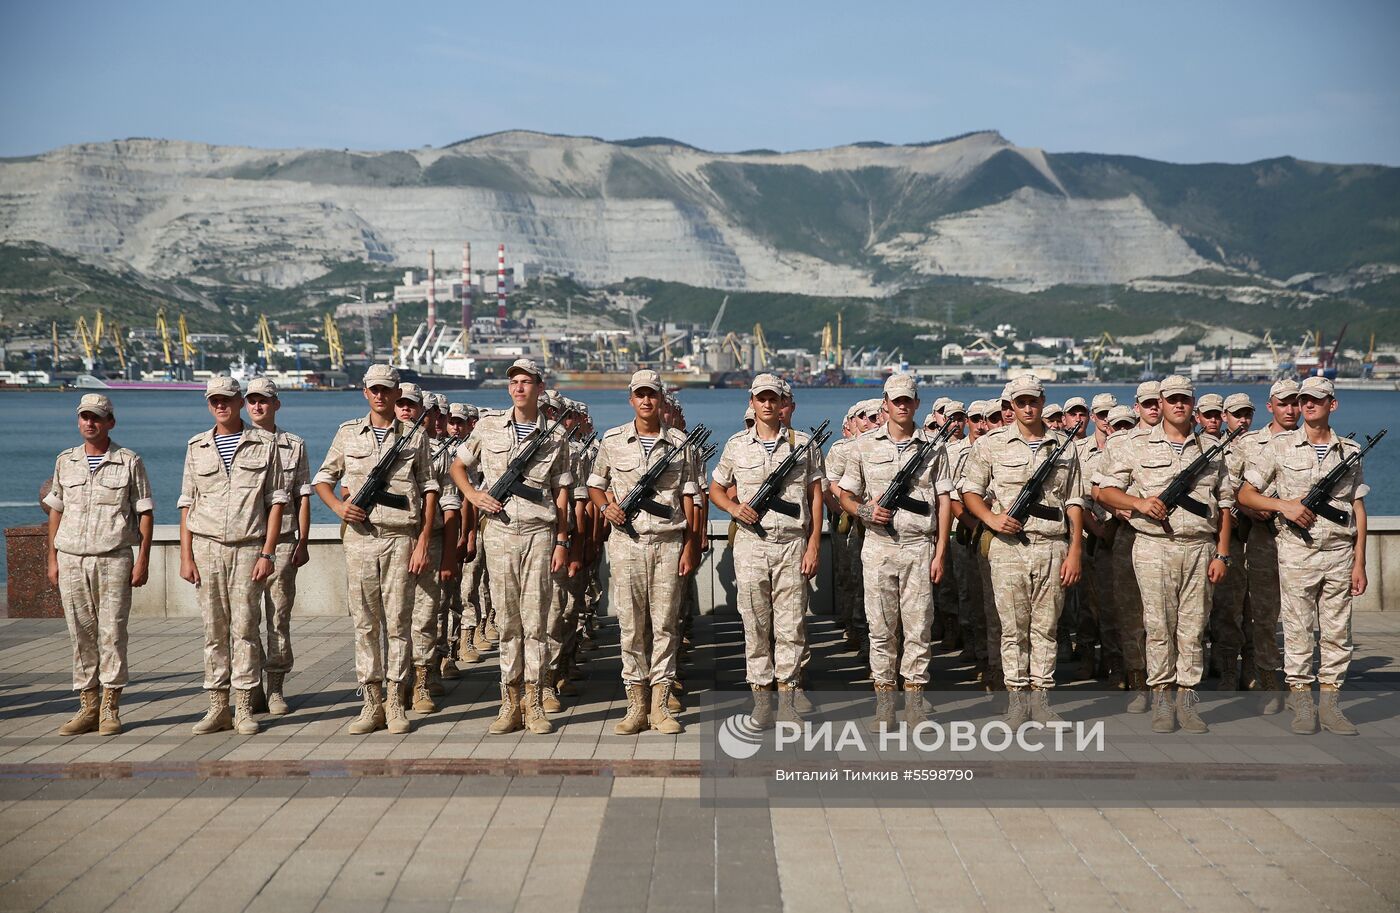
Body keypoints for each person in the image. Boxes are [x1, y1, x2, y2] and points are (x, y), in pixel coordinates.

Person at [1098, 375, 1232, 733]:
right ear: (1160, 401)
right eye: (1171, 399)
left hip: (1201, 548)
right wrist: (1139, 503)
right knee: (1158, 627)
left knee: (1193, 629)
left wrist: (1222, 554)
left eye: (1184, 400)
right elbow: (1106, 492)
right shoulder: (1134, 444)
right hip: (1154, 547)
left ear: (1193, 403)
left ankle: (1187, 701)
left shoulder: (1211, 448)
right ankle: (1161, 698)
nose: (1178, 405)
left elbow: (1225, 505)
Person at [1237, 376, 1368, 735]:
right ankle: (1302, 703)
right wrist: (1285, 506)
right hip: (1296, 552)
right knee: (1297, 631)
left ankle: (1331, 705)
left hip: (1340, 553)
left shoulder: (1350, 451)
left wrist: (1360, 560)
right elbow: (1246, 495)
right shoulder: (1279, 448)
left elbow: (1357, 506)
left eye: (1317, 400)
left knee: (1338, 632)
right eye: (1303, 400)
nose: (1308, 405)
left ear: (1332, 404)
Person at [314, 364, 439, 735]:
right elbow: (323, 479)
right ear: (365, 393)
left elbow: (430, 488)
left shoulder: (415, 436)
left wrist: (422, 541)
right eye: (374, 390)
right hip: (361, 539)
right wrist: (338, 508)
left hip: (401, 538)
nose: (381, 396)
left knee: (399, 623)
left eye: (387, 389)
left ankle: (396, 702)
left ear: (396, 391)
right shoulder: (348, 433)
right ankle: (371, 703)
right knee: (366, 624)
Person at [451, 358, 573, 735]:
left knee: (536, 621)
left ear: (539, 387)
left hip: (540, 534)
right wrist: (474, 494)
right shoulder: (488, 427)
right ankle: (509, 702)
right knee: (507, 623)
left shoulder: (556, 437)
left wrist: (563, 540)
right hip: (500, 534)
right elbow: (458, 467)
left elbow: (562, 490)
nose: (519, 388)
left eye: (526, 382)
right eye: (514, 382)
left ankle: (534, 703)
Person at [960, 374, 1084, 726]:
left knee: (1046, 626)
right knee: (1013, 628)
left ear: (1043, 402)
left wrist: (1074, 550)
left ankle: (1042, 699)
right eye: (1021, 402)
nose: (1028, 407)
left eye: (1033, 401)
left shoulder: (1063, 445)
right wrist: (991, 518)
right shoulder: (991, 444)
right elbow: (970, 490)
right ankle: (1016, 699)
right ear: (1011, 406)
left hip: (1051, 546)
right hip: (1009, 549)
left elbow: (1074, 500)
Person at [588, 370, 700, 734]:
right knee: (631, 627)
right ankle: (635, 705)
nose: (646, 401)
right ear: (631, 399)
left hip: (668, 543)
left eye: (652, 394)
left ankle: (660, 705)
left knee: (666, 625)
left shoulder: (681, 444)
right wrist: (606, 507)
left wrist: (690, 547)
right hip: (627, 544)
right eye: (640, 395)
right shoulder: (613, 439)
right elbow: (595, 485)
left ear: (661, 399)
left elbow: (690, 496)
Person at [837, 374, 952, 730]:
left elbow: (944, 499)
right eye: (896, 400)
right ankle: (885, 704)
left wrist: (941, 551)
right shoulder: (863, 446)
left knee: (919, 627)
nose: (902, 406)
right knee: (881, 629)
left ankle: (915, 702)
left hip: (919, 547)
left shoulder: (933, 446)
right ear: (885, 403)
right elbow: (845, 495)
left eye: (908, 400)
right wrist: (865, 512)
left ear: (916, 404)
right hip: (879, 547)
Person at [710, 373, 824, 726]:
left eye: (773, 398)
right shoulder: (736, 445)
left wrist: (814, 543)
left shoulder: (804, 445)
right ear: (753, 402)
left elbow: (815, 496)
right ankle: (761, 698)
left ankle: (788, 698)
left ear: (782, 403)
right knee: (756, 625)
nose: (768, 404)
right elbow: (715, 488)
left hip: (792, 544)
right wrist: (732, 508)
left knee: (791, 626)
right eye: (761, 398)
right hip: (751, 545)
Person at [180, 376, 288, 735]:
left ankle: (244, 707)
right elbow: (187, 503)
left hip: (248, 547)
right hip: (206, 547)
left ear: (240, 402)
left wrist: (268, 553)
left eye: (227, 399)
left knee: (244, 628)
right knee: (213, 630)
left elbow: (276, 502)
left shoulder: (264, 444)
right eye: (214, 401)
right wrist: (186, 555)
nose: (221, 405)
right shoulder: (196, 446)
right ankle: (217, 706)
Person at [44, 393, 155, 736]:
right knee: (80, 634)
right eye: (84, 417)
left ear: (110, 422)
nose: (89, 423)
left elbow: (145, 512)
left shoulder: (128, 461)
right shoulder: (66, 461)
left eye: (96, 418)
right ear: (78, 421)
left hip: (113, 558)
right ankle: (88, 706)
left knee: (112, 632)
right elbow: (56, 510)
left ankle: (110, 707)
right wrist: (52, 557)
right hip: (71, 558)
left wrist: (143, 560)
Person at [244, 377, 311, 716]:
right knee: (244, 620)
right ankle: (249, 685)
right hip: (246, 541)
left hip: (283, 540)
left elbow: (302, 496)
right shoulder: (237, 441)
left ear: (276, 404)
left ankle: (275, 687)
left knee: (278, 618)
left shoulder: (293, 444)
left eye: (264, 401)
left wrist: (303, 539)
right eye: (252, 400)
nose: (257, 406)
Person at [1234, 379, 1301, 708]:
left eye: (1295, 403)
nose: (1291, 410)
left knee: (1300, 616)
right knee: (1264, 614)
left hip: (1303, 542)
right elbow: (1231, 488)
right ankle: (1269, 679)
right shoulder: (1250, 444)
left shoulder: (1311, 443)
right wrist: (1251, 508)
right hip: (1264, 538)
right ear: (1270, 406)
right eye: (1284, 403)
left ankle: (1296, 680)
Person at [394, 384, 461, 714]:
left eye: (411, 405)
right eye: (400, 403)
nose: (405, 409)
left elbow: (450, 503)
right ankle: (397, 683)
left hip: (430, 539)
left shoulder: (442, 451)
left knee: (425, 614)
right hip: (391, 537)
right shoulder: (382, 442)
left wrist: (451, 552)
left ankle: (422, 679)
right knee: (393, 616)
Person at [1098, 381, 1162, 711]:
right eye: (1147, 404)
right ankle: (1138, 681)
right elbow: (1100, 490)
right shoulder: (1121, 443)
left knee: (1167, 617)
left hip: (1169, 539)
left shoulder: (1183, 444)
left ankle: (1167, 683)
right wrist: (1125, 506)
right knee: (1131, 613)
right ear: (1137, 407)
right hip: (1130, 535)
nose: (1154, 408)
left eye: (1157, 403)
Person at [1073, 393, 1121, 684]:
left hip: (1122, 534)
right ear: (1093, 417)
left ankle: (1115, 661)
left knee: (1117, 604)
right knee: (1090, 604)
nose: (1106, 420)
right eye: (1101, 415)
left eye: (1110, 415)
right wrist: (1096, 530)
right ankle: (1089, 654)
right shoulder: (1080, 451)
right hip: (1094, 533)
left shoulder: (1126, 447)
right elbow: (1077, 498)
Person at [1211, 392, 1255, 690]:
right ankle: (1227, 670)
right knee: (1228, 608)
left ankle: (1253, 670)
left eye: (1247, 414)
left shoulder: (1264, 446)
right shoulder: (1215, 448)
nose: (1243, 419)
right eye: (1237, 414)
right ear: (1225, 415)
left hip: (1261, 536)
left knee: (1257, 611)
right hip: (1231, 538)